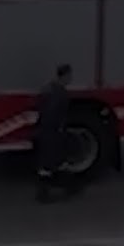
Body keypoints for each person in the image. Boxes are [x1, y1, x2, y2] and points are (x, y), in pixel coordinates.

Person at [35, 64, 77, 203]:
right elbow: (52, 114)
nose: (71, 79)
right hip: (52, 132)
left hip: (45, 131)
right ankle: (50, 192)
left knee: (49, 163)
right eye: (69, 76)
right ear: (64, 76)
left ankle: (49, 191)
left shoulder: (48, 89)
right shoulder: (60, 93)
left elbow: (41, 108)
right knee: (55, 161)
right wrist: (59, 129)